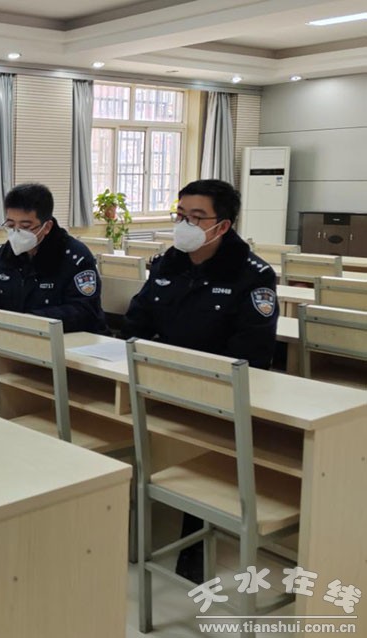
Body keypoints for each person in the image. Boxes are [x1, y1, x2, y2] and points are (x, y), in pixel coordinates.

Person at [123, 179, 279, 583]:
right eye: (180, 215)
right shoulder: (169, 262)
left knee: (196, 446)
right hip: (160, 378)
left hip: (214, 392)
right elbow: (137, 319)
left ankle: (194, 540)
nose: (185, 225)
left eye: (196, 218)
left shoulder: (253, 275)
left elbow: (252, 354)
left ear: (222, 226)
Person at [0, 183, 108, 334]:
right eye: (11, 225)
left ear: (47, 227)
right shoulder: (4, 254)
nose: (16, 232)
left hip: (70, 338)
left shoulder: (75, 257)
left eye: (25, 226)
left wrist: (32, 320)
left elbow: (84, 311)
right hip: (18, 334)